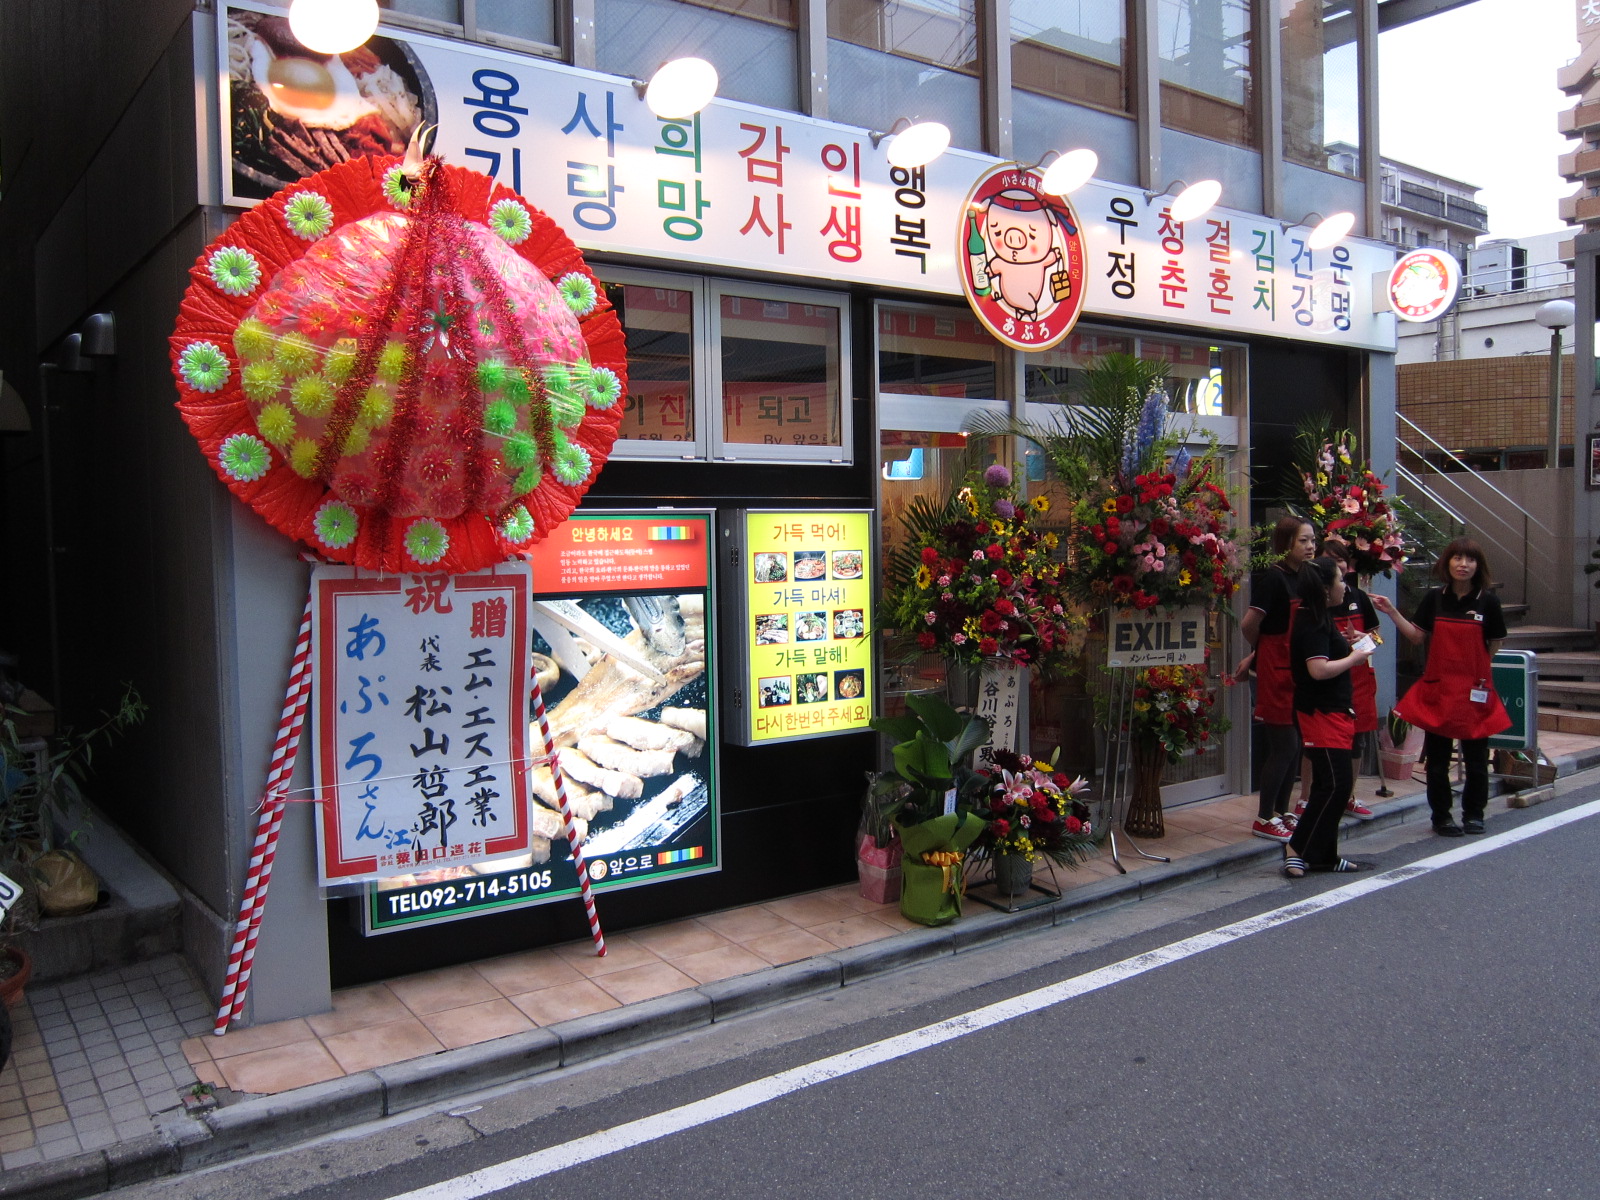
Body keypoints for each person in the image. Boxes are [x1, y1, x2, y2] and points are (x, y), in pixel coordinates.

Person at [1378, 537, 1509, 836]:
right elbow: (1416, 637)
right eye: (1457, 558)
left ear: (1478, 565)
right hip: (1439, 689)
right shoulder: (1434, 599)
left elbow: (1496, 642)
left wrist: (1478, 671)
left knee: (1477, 760)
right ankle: (1441, 817)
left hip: (1474, 691)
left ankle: (1475, 814)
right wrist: (1391, 611)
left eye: (1470, 559)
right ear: (1447, 563)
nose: (1463, 565)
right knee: (1437, 761)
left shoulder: (1488, 601)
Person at [1282, 557, 1378, 877]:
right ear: (1325, 588)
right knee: (1334, 785)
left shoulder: (1320, 616)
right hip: (1319, 711)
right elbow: (1317, 669)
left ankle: (1323, 854)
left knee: (1333, 785)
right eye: (1339, 580)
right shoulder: (1311, 620)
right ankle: (1297, 847)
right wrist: (1355, 657)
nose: (1344, 586)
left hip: (1334, 709)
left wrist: (1350, 647)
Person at [1237, 516, 1318, 841]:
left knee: (1295, 745)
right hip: (1276, 671)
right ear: (1286, 543)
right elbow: (1248, 623)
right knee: (1284, 746)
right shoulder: (1274, 579)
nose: (1311, 546)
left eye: (1313, 540)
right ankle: (1263, 816)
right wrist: (1262, 650)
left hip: (1299, 671)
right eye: (1303, 541)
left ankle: (1283, 811)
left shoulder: (1307, 576)